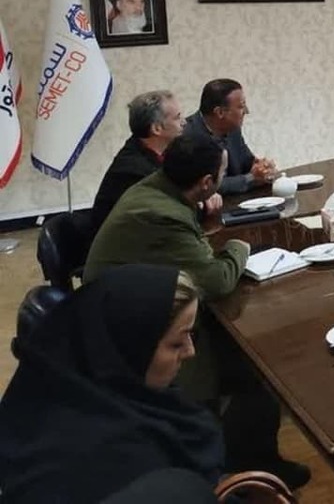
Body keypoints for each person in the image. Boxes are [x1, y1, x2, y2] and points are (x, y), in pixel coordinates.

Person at [83, 135, 309, 490]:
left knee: (246, 356)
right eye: (221, 173)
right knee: (249, 359)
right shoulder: (163, 214)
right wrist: (239, 246)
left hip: (129, 304)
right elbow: (217, 280)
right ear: (206, 183)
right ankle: (233, 464)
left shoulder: (156, 189)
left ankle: (247, 453)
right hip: (126, 331)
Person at [0, 265, 224, 503]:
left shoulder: (61, 384)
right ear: (133, 348)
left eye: (192, 335)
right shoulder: (126, 461)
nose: (190, 351)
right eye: (176, 343)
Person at [91, 90, 189, 235]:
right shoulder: (135, 170)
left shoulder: (162, 151)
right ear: (156, 128)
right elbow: (173, 211)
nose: (184, 122)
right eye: (177, 118)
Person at [183, 78, 277, 195]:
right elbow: (205, 186)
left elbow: (247, 163)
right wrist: (251, 178)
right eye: (241, 106)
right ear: (220, 112)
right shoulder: (187, 135)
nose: (246, 111)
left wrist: (264, 169)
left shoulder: (232, 128)